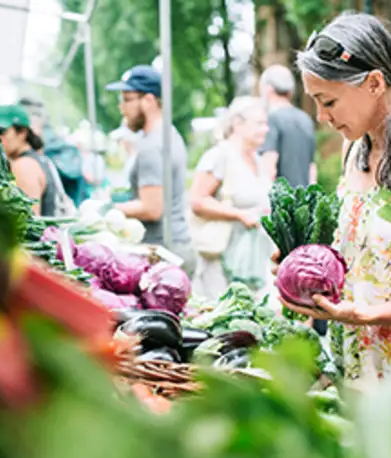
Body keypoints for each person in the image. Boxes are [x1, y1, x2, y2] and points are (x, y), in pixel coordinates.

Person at [277, 12, 391, 380]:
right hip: (355, 371)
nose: (321, 117)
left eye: (328, 101)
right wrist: (305, 265)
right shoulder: (352, 151)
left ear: (374, 83)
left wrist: (366, 315)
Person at [105, 65, 195, 276]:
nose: (121, 107)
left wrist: (110, 209)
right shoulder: (170, 134)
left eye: (127, 99)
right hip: (178, 246)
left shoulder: (151, 146)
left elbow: (152, 208)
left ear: (149, 100)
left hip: (163, 253)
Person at [189, 97, 273, 301]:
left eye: (266, 123)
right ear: (238, 124)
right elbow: (197, 201)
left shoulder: (257, 159)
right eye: (259, 123)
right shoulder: (219, 156)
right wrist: (239, 215)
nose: (266, 129)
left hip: (250, 261)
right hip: (219, 260)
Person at [259, 64, 317, 187]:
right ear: (290, 91)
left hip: (283, 201)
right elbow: (311, 166)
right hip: (302, 199)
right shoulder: (305, 119)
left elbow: (269, 164)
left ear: (268, 89)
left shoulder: (271, 118)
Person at [0, 104, 56, 216]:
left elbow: (28, 221)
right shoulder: (39, 159)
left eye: (2, 132)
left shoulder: (24, 166)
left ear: (22, 132)